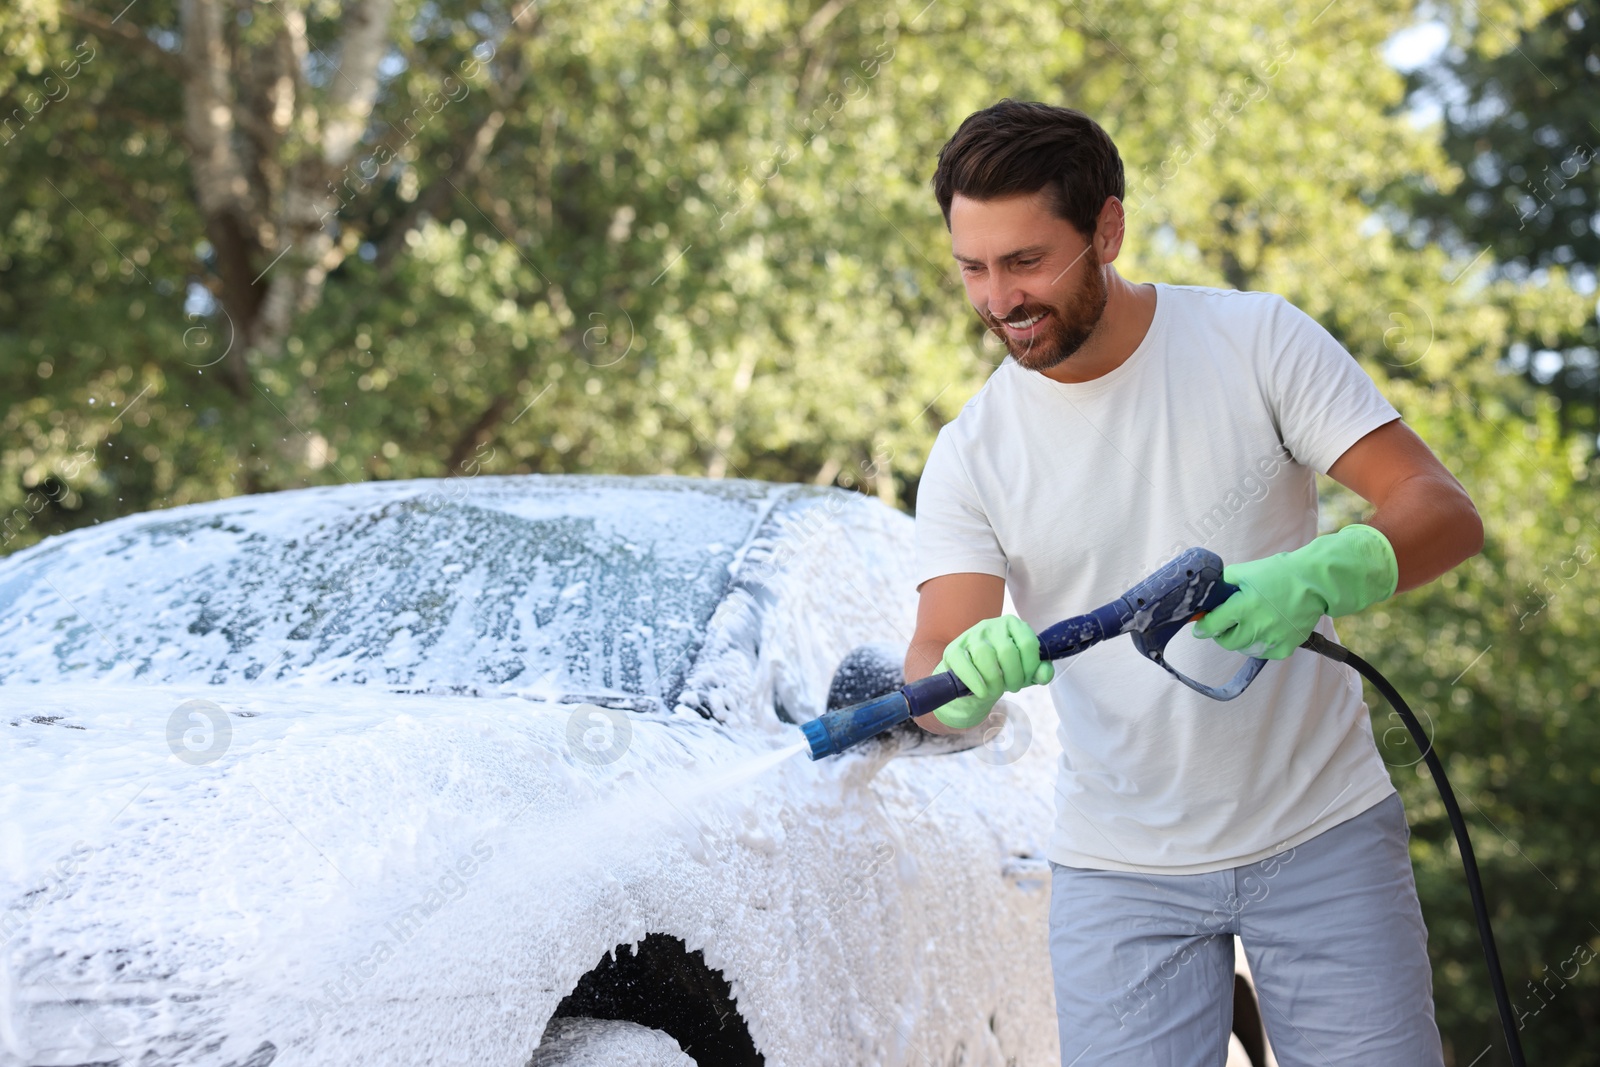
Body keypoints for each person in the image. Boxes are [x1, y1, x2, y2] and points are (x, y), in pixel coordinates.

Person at [907, 99, 1483, 1066]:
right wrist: (961, 682)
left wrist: (1322, 571)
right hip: (1119, 871)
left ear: (1108, 230)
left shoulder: (1256, 342)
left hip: (1323, 829)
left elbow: (1442, 510)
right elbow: (931, 663)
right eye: (975, 267)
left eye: (1028, 261)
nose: (1000, 298)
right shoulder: (972, 454)